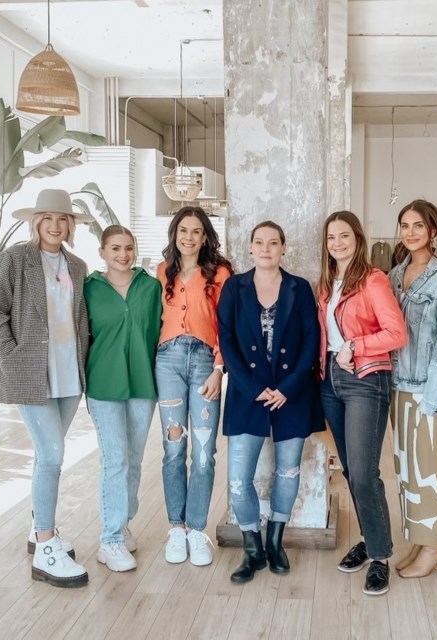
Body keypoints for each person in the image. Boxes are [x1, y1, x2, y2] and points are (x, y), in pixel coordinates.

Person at [0, 189, 94, 589]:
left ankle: (36, 528)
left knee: (47, 455)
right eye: (47, 217)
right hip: (29, 373)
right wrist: (9, 354)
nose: (55, 225)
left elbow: (79, 319)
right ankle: (46, 546)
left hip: (68, 377)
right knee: (52, 454)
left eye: (62, 219)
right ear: (36, 222)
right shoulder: (13, 259)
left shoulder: (77, 266)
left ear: (70, 225)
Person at [217, 221, 325, 583]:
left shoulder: (299, 287)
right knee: (238, 480)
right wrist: (250, 388)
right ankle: (252, 550)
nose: (266, 248)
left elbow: (312, 341)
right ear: (250, 248)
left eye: (273, 243)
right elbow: (226, 341)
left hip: (291, 395)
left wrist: (289, 388)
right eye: (259, 242)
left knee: (288, 471)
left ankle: (275, 541)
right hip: (248, 395)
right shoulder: (234, 287)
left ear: (283, 248)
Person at [316, 211, 406, 596]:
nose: (337, 243)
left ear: (358, 238)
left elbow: (396, 332)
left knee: (366, 473)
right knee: (351, 470)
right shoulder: (325, 284)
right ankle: (370, 539)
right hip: (330, 382)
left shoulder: (373, 279)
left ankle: (381, 555)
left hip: (366, 380)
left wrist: (355, 345)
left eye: (344, 236)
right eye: (331, 237)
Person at [387, 200, 437, 579]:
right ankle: (422, 539)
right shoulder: (396, 273)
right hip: (398, 386)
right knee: (408, 468)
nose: (410, 232)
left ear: (433, 230)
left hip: (429, 390)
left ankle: (435, 546)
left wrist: (434, 400)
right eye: (405, 225)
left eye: (418, 225)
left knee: (430, 467)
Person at [155, 206, 234, 566]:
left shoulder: (219, 273)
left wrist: (220, 368)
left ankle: (197, 530)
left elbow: (227, 324)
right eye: (183, 230)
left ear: (205, 237)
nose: (188, 237)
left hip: (205, 362)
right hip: (167, 361)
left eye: (196, 232)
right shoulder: (161, 273)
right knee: (174, 449)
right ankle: (176, 527)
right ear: (175, 234)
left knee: (203, 452)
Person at [83, 226, 162, 572]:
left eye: (129, 248)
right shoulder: (89, 290)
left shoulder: (151, 286)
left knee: (132, 458)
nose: (123, 255)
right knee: (114, 459)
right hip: (103, 385)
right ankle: (110, 539)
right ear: (102, 251)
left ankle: (123, 521)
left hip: (143, 384)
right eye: (115, 248)